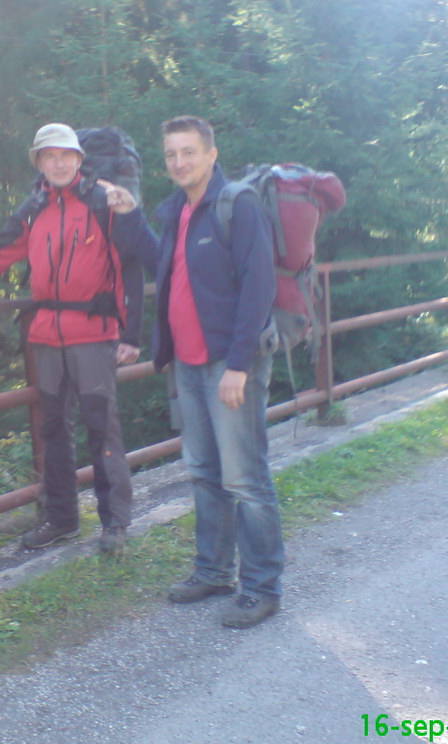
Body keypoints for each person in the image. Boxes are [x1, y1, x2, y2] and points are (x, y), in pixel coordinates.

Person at [0, 123, 147, 556]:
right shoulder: (34, 208)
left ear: (79, 160)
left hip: (94, 334)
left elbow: (131, 266)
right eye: (48, 156)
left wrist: (131, 333)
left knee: (103, 429)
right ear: (38, 162)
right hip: (47, 336)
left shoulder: (103, 202)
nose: (57, 163)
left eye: (65, 155)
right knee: (53, 430)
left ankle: (115, 524)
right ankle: (61, 519)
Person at [122, 115, 285, 628]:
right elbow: (164, 269)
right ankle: (213, 571)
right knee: (204, 475)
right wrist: (131, 217)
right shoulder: (177, 212)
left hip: (229, 365)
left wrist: (239, 366)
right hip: (188, 367)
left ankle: (261, 587)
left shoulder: (239, 204)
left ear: (211, 154)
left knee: (245, 478)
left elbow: (259, 288)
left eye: (188, 152)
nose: (179, 162)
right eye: (171, 154)